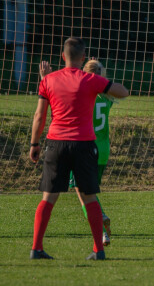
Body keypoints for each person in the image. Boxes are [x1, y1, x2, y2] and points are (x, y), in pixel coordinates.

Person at [30, 38, 128, 260]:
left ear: (63, 57)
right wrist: (101, 81)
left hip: (56, 143)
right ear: (83, 58)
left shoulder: (48, 80)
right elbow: (124, 92)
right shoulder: (91, 79)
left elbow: (39, 115)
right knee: (90, 196)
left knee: (48, 197)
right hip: (84, 145)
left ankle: (36, 248)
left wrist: (34, 144)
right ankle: (98, 250)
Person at [39, 59, 115, 247]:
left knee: (83, 192)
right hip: (104, 150)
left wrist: (45, 79)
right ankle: (101, 224)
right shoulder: (107, 98)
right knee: (88, 189)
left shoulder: (84, 95)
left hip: (85, 146)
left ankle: (102, 229)